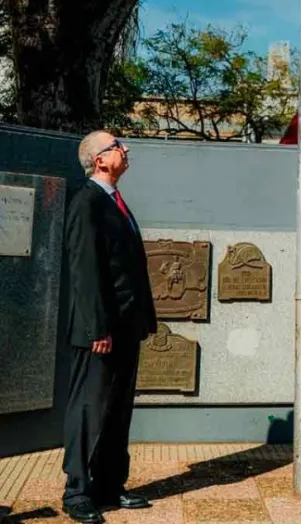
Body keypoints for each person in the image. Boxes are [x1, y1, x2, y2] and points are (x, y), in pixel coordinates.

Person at [62, 132, 157, 524]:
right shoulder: (86, 201)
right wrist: (96, 327)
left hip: (126, 326)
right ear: (99, 160)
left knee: (118, 410)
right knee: (89, 408)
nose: (125, 149)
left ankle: (109, 484)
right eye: (116, 145)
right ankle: (78, 491)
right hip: (100, 330)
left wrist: (144, 319)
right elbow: (85, 271)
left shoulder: (115, 202)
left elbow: (130, 267)